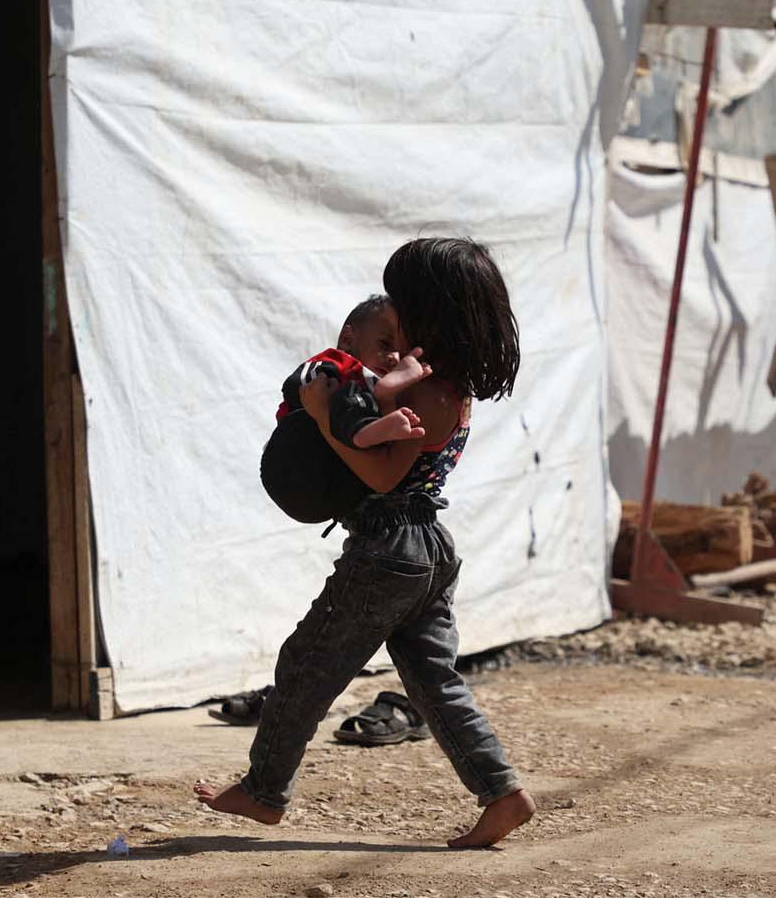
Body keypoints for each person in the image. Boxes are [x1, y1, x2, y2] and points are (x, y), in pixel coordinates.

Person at [195, 237, 536, 848]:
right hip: (426, 548)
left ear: (434, 309)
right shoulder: (443, 383)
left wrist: (322, 415)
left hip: (391, 550)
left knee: (306, 664)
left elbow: (382, 474)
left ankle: (264, 790)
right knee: (434, 681)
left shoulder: (429, 393)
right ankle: (502, 793)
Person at [260, 294, 431, 525]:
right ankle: (362, 429)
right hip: (293, 463)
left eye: (402, 352)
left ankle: (367, 426)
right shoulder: (335, 363)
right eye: (384, 344)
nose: (394, 358)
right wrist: (327, 398)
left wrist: (386, 398)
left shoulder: (398, 397)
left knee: (369, 406)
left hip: (332, 492)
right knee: (343, 391)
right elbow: (298, 387)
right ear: (348, 339)